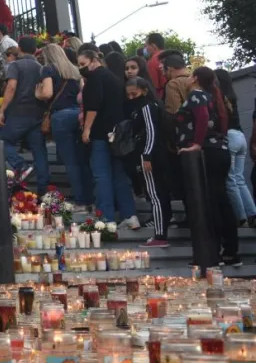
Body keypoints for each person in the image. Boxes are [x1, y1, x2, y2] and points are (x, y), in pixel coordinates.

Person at [174, 66, 238, 266]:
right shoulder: (213, 97)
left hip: (208, 152)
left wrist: (197, 144)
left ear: (194, 78)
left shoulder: (196, 95)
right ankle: (230, 250)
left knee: (210, 201)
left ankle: (214, 251)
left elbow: (201, 117)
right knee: (221, 198)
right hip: (220, 150)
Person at [78, 49, 139, 228]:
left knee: (101, 175)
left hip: (100, 133)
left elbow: (93, 107)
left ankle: (107, 217)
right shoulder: (113, 78)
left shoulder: (95, 79)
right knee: (118, 175)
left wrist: (86, 129)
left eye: (83, 64)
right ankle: (130, 215)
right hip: (117, 134)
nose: (81, 68)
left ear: (93, 61)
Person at [37, 43, 93, 209]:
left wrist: (37, 94)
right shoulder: (75, 70)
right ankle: (90, 198)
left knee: (70, 161)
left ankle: (80, 200)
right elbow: (83, 95)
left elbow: (47, 92)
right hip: (78, 114)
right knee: (83, 160)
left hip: (60, 116)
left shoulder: (48, 69)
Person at [125, 77, 173, 248]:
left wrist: (146, 155)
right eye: (128, 95)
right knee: (159, 194)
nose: (131, 98)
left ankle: (160, 235)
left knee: (155, 194)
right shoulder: (153, 106)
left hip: (150, 156)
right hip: (157, 154)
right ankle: (161, 229)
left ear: (144, 91)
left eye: (134, 94)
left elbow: (151, 132)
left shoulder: (146, 107)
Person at [0, 36, 49, 193]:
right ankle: (44, 189)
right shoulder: (41, 67)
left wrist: (2, 110)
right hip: (36, 113)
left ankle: (21, 166)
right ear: (35, 50)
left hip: (18, 112)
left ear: (19, 48)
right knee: (39, 151)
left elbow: (11, 87)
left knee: (4, 141)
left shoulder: (15, 66)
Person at [215, 69, 256, 227]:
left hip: (230, 137)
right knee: (239, 179)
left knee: (231, 180)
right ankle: (252, 213)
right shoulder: (232, 96)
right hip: (240, 136)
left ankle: (241, 217)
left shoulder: (219, 97)